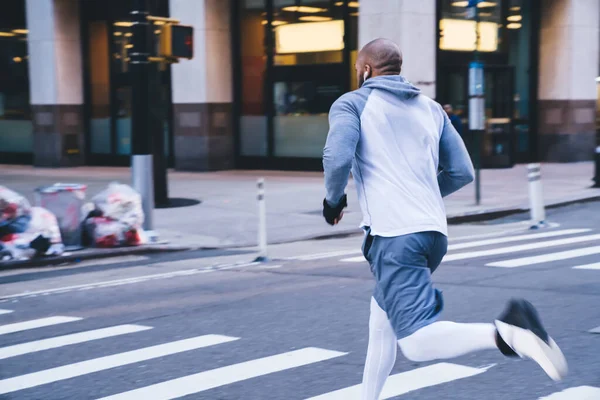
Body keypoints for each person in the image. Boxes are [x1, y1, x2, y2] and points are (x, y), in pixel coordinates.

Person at [321, 38, 567, 400]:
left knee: (417, 344)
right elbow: (462, 171)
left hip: (395, 236)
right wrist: (422, 193)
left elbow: (337, 156)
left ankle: (509, 333)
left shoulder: (353, 103)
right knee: (382, 324)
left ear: (366, 69)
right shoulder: (431, 108)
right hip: (432, 233)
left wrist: (333, 200)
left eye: (360, 68)